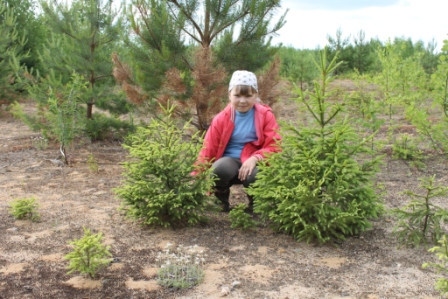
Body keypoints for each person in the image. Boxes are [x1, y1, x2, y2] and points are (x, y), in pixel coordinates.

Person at [194, 70, 282, 212]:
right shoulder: (221, 118)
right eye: (237, 95)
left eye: (248, 95)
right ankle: (221, 199)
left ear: (256, 95)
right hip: (230, 161)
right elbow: (208, 149)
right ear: (229, 95)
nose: (242, 101)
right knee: (219, 168)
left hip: (254, 162)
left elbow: (275, 145)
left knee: (255, 175)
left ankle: (255, 202)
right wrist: (196, 177)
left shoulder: (265, 116)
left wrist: (256, 158)